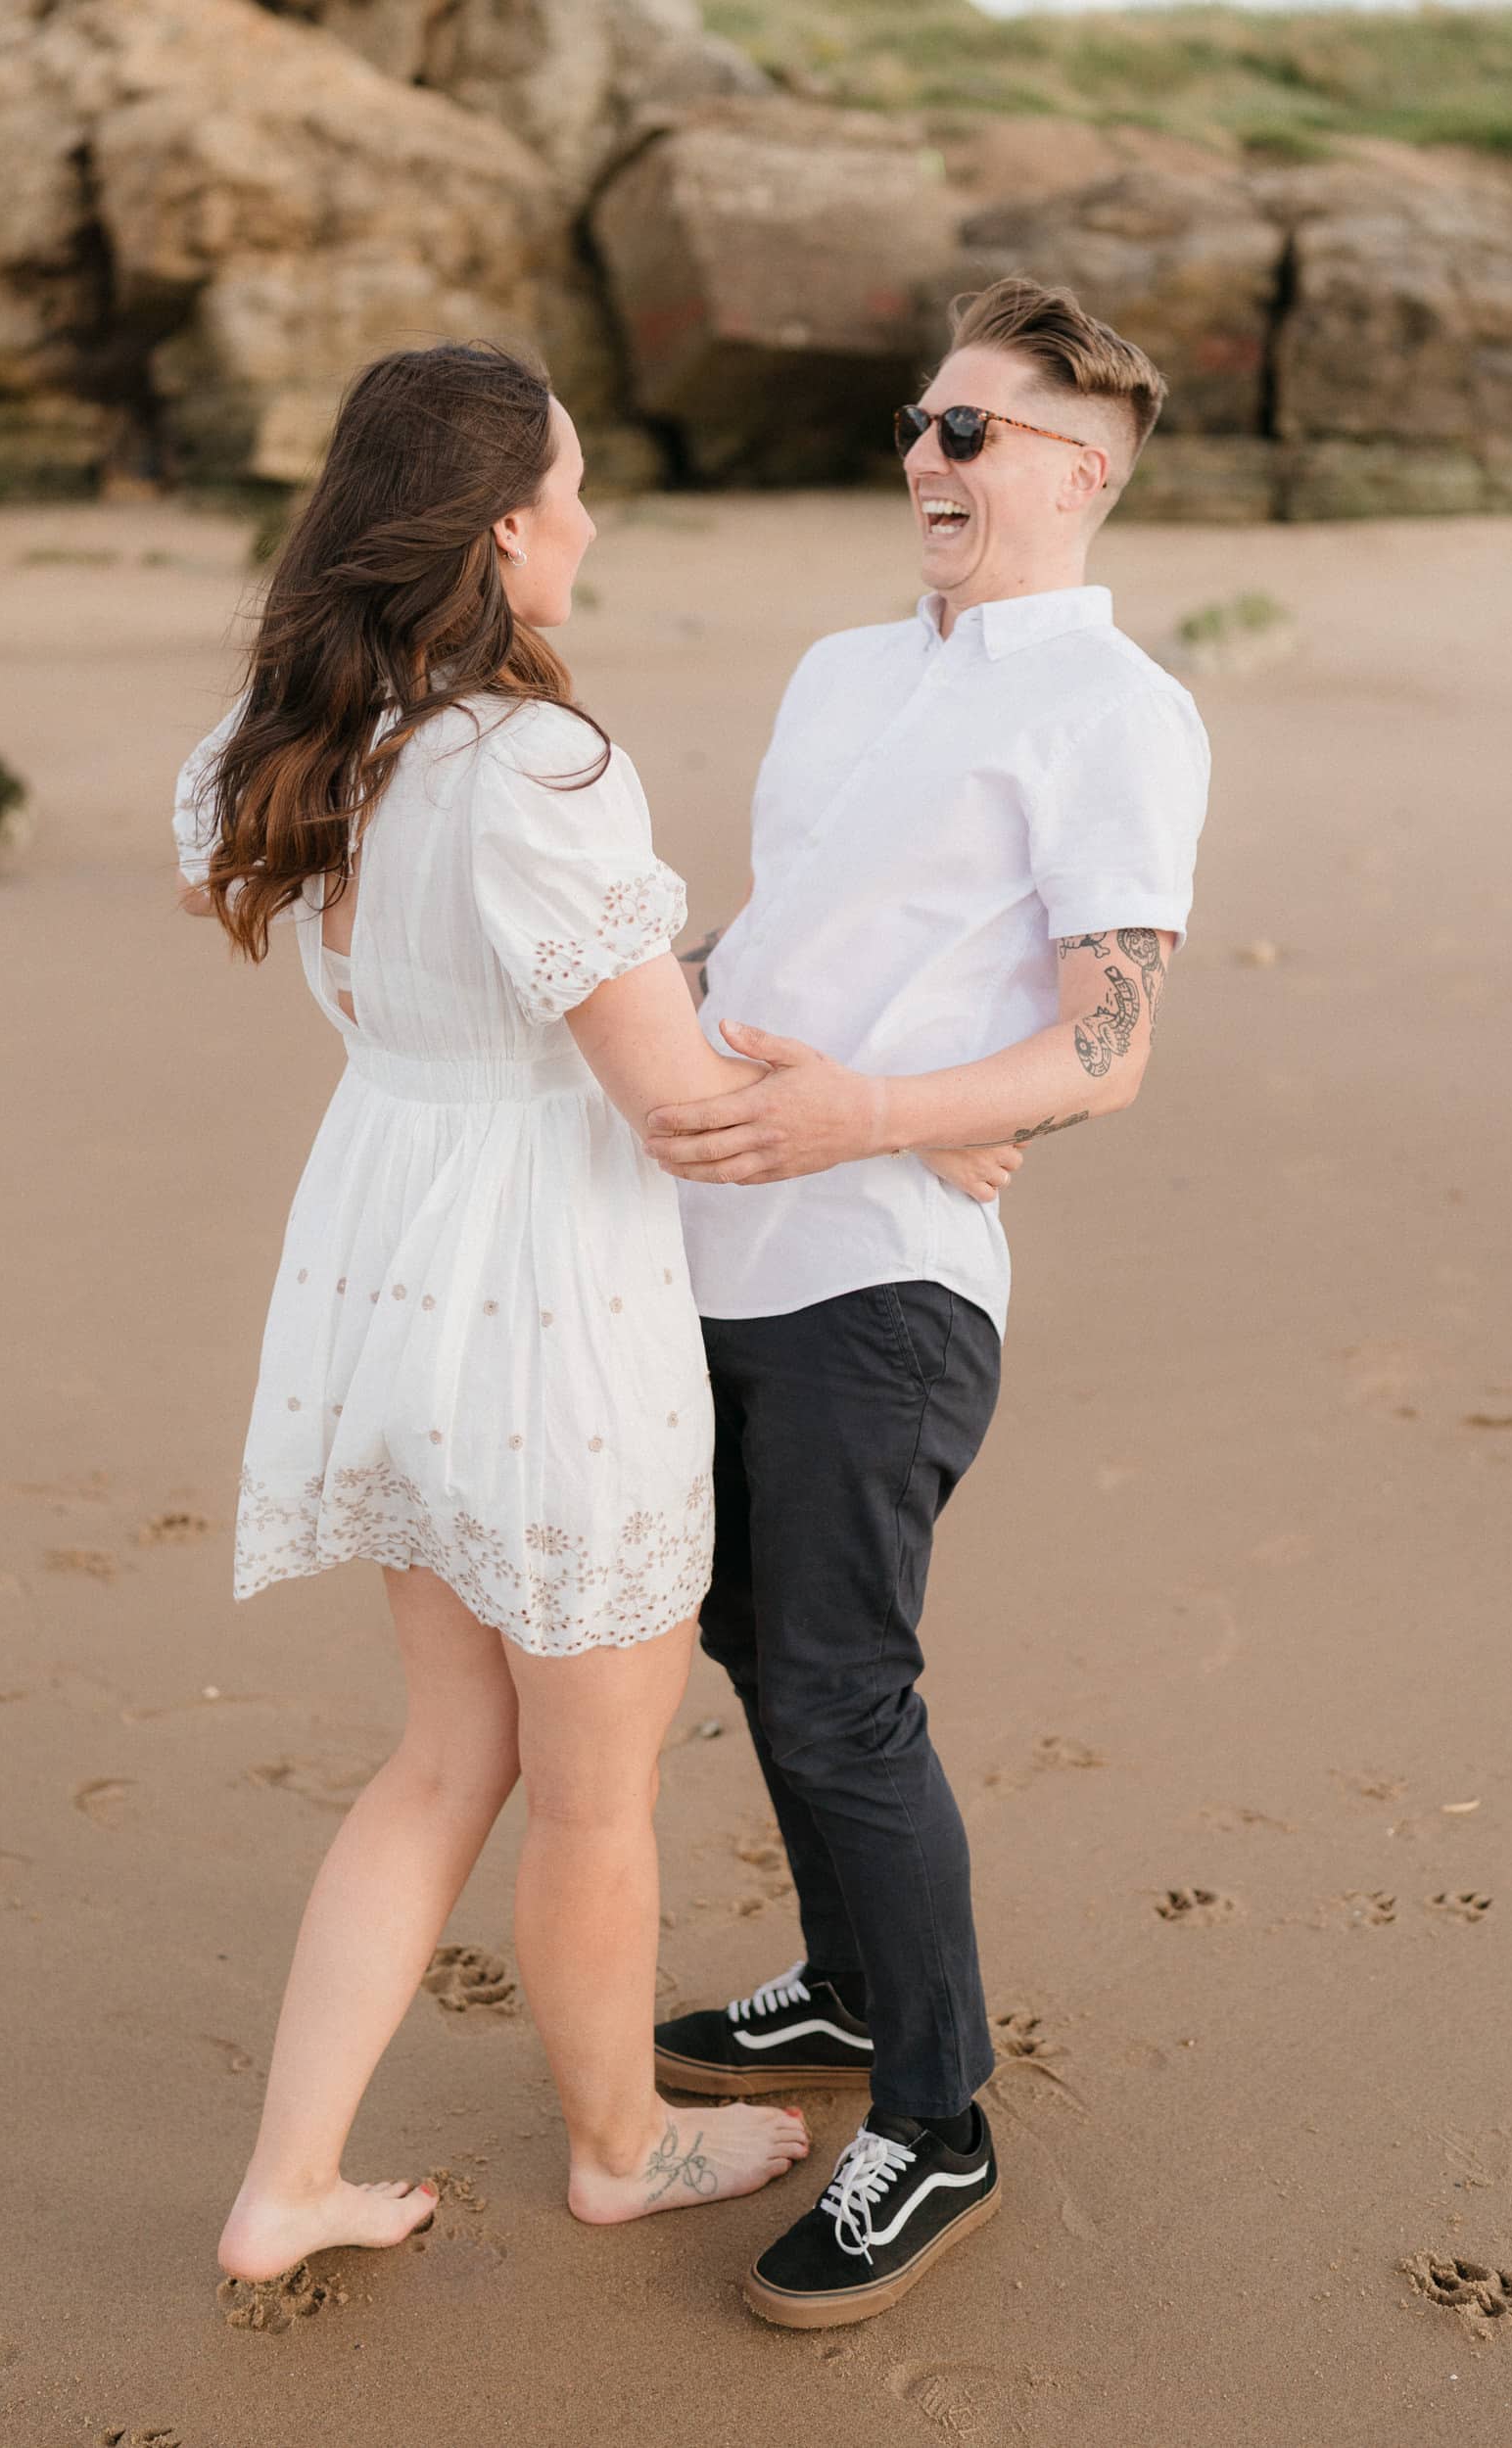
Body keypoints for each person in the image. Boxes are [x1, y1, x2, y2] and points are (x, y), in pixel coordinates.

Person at [170, 342, 820, 2283]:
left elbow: (473, 974)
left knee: (449, 1751)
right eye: (572, 488)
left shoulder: (296, 742)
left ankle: (288, 2182)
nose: (590, 522)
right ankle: (621, 2146)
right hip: (549, 1300)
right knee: (594, 1790)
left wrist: (637, 982)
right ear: (501, 532)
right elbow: (676, 1107)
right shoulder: (536, 767)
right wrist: (900, 1115)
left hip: (390, 1269)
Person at [646, 277, 1211, 2329]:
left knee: (834, 1682)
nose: (922, 459)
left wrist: (881, 1114)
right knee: (742, 1634)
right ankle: (847, 1979)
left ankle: (935, 2110)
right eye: (916, 421)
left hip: (880, 1278)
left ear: (1078, 473)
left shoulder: (1116, 711)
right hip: (705, 1242)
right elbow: (780, 938)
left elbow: (1106, 1043)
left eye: (966, 433)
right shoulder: (837, 669)